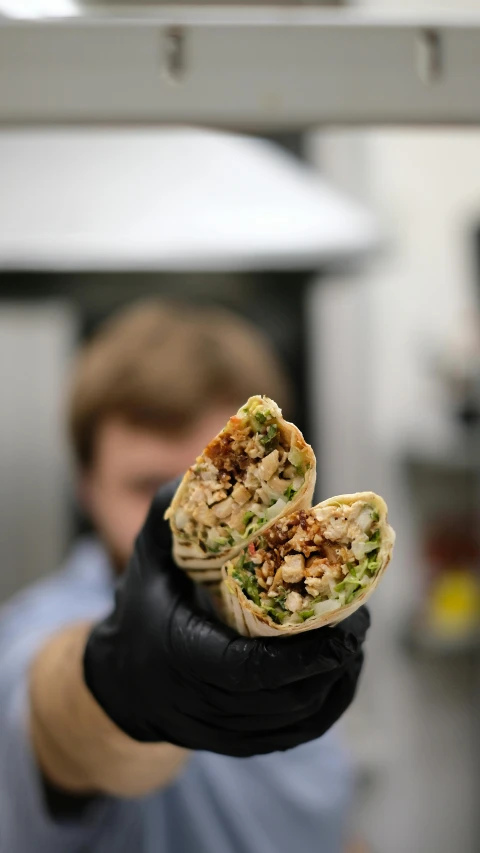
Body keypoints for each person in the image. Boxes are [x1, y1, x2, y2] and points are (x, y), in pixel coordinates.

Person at [0, 300, 369, 853]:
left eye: (233, 484)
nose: (182, 515)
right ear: (85, 488)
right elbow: (57, 717)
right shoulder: (38, 625)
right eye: (147, 486)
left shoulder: (293, 623)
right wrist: (118, 686)